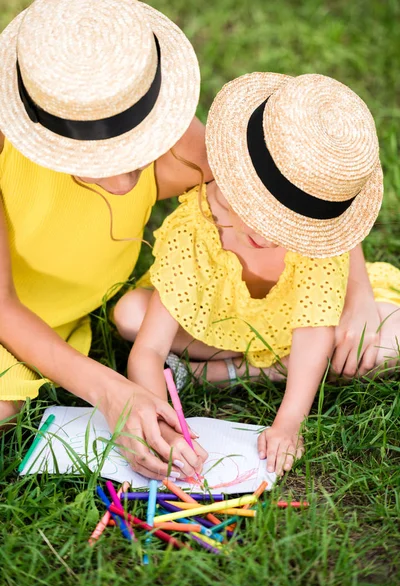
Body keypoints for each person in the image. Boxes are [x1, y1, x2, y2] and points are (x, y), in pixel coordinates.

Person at [114, 72, 400, 476]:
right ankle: (274, 369)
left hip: (294, 328)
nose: (267, 236)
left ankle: (228, 373)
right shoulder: (195, 228)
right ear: (233, 178)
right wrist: (164, 423)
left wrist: (288, 423)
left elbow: (315, 328)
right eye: (259, 214)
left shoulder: (314, 235)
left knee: (392, 337)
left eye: (286, 224)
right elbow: (148, 350)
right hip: (219, 320)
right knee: (130, 315)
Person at [0, 0, 212, 480]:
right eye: (93, 157)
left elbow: (292, 196)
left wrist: (358, 294)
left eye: (135, 148)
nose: (121, 180)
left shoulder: (180, 142)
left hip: (60, 318)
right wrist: (113, 392)